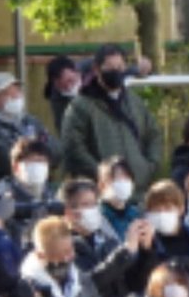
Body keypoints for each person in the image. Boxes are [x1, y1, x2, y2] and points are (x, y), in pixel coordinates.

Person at [89, 180, 189, 297]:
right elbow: (135, 286)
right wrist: (147, 251)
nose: (162, 214)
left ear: (181, 209)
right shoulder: (138, 243)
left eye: (168, 208)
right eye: (156, 210)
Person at [61, 44, 162, 193]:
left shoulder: (135, 103)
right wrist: (102, 174)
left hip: (139, 190)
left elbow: (153, 134)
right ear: (96, 69)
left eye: (120, 67)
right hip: (99, 192)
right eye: (109, 67)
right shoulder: (80, 106)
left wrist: (149, 166)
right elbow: (74, 147)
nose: (116, 72)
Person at [0, 72, 62, 179]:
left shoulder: (30, 120)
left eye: (17, 91)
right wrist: (37, 150)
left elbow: (57, 150)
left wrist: (36, 155)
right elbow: (3, 158)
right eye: (8, 94)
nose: (16, 97)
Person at [60, 178, 121, 274]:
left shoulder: (108, 242)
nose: (92, 210)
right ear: (69, 212)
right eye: (86, 205)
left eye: (94, 204)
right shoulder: (63, 247)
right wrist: (124, 257)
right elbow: (89, 280)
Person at [97, 156, 142, 240]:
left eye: (126, 178)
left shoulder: (136, 215)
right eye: (116, 178)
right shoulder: (97, 216)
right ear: (102, 185)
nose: (123, 182)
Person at [44, 55, 83, 135]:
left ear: (77, 72)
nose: (69, 88)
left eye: (70, 81)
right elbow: (64, 131)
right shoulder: (57, 99)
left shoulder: (94, 71)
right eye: (63, 87)